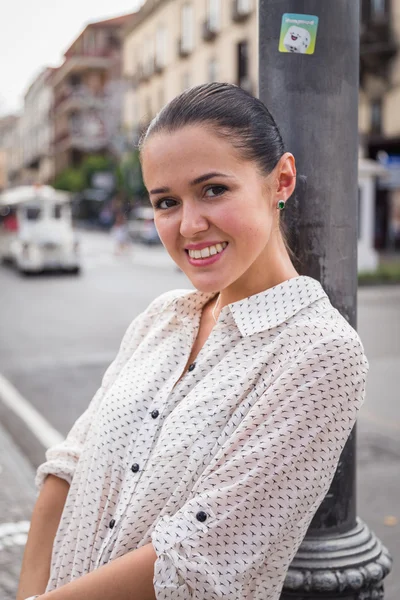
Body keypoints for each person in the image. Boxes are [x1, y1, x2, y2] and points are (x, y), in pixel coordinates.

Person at [17, 83, 368, 600]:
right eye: (166, 201)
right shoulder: (161, 319)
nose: (189, 225)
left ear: (281, 181)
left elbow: (199, 559)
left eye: (214, 190)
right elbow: (66, 470)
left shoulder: (319, 351)